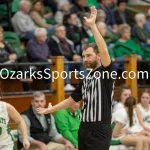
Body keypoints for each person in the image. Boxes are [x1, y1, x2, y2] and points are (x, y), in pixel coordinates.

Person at [38, 6, 114, 150]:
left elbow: (103, 49)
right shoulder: (86, 78)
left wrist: (92, 25)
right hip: (84, 126)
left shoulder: (106, 73)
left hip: (100, 128)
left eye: (89, 55)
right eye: (84, 56)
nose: (85, 59)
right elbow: (71, 100)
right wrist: (50, 109)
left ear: (98, 56)